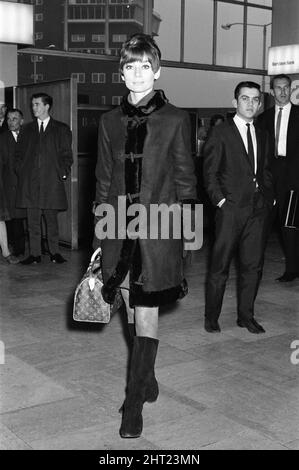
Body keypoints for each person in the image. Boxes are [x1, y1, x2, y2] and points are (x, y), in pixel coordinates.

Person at [94, 33, 197, 438]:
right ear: (121, 73)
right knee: (129, 309)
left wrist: (189, 238)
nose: (137, 74)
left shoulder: (176, 119)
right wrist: (101, 240)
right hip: (118, 229)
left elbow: (187, 181)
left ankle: (133, 403)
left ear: (158, 70)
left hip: (159, 232)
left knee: (147, 312)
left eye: (144, 66)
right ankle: (147, 378)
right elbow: (102, 183)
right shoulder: (107, 122)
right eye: (129, 67)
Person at [203, 81, 274, 335]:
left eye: (255, 99)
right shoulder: (221, 133)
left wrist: (269, 198)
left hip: (258, 210)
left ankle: (246, 316)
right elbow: (209, 173)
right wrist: (220, 201)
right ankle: (212, 317)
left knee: (253, 266)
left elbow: (265, 170)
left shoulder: (263, 134)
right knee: (219, 266)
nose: (251, 104)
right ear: (235, 102)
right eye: (245, 98)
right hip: (230, 210)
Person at [15, 93, 73, 264]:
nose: (34, 108)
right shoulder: (26, 129)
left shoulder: (61, 129)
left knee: (51, 221)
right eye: (33, 105)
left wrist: (62, 173)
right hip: (30, 184)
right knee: (32, 222)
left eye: (37, 104)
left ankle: (55, 252)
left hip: (51, 182)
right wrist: (21, 172)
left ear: (47, 106)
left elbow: (67, 155)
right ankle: (35, 255)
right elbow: (18, 155)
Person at [257, 74, 299, 282]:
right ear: (271, 91)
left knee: (289, 224)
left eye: (286, 87)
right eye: (278, 88)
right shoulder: (264, 118)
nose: (282, 92)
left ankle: (292, 269)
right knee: (263, 222)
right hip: (269, 177)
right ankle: (255, 267)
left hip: (293, 177)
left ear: (291, 89)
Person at [0, 109, 26, 257]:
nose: (11, 122)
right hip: (9, 184)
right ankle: (16, 249)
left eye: (15, 119)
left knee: (24, 218)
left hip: (26, 184)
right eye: (9, 119)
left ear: (21, 121)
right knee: (13, 218)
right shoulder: (2, 138)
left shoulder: (28, 136)